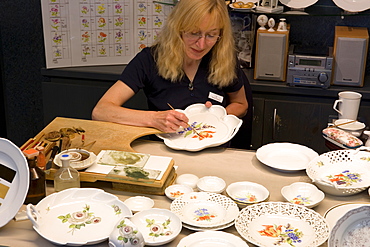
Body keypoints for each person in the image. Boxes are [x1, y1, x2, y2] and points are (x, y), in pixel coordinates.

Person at [92, 0, 249, 134]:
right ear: (178, 28)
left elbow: (241, 105)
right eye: (194, 33)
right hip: (165, 151)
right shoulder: (150, 59)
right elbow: (101, 111)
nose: (201, 44)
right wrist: (154, 119)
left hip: (213, 147)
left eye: (211, 35)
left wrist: (216, 117)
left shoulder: (223, 57)